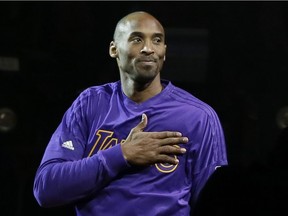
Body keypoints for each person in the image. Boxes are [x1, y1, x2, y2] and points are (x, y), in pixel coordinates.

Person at [33, 11, 228, 215]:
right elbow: (46, 189)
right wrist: (123, 154)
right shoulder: (90, 103)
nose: (148, 49)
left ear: (164, 52)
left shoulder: (198, 116)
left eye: (157, 40)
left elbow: (215, 203)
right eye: (137, 39)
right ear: (114, 49)